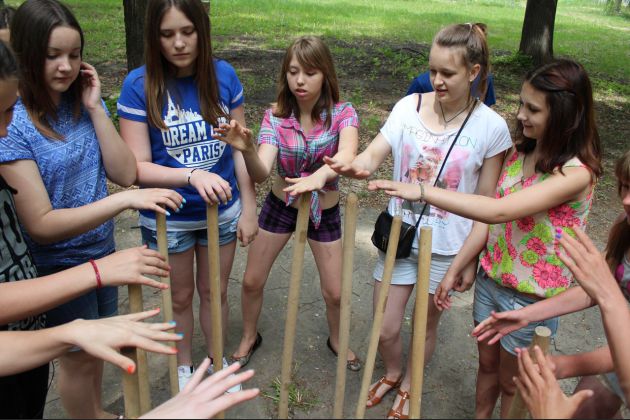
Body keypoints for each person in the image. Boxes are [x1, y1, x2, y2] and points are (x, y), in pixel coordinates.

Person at [367, 58, 602, 417]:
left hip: (531, 298)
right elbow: (491, 221)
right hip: (491, 282)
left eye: (533, 109)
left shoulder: (576, 174)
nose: (520, 114)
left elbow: (498, 211)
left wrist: (423, 191)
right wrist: (460, 266)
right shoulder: (521, 151)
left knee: (512, 383)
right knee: (487, 367)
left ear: (565, 114)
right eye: (521, 103)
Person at [0, 2, 183, 418]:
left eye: (74, 54)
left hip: (102, 252)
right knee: (80, 357)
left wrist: (97, 108)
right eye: (52, 55)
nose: (66, 66)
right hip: (59, 268)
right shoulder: (12, 123)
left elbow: (125, 172)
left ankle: (95, 411)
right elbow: (41, 224)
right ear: (27, 53)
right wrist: (121, 201)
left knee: (99, 346)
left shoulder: (78, 103)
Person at [326, 23, 512, 418]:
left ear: (474, 72)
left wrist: (468, 260)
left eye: (448, 73)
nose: (437, 80)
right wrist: (353, 165)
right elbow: (371, 156)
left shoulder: (492, 128)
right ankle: (393, 371)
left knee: (425, 327)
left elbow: (486, 206)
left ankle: (410, 384)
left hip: (447, 248)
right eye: (432, 70)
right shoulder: (407, 107)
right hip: (399, 235)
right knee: (386, 326)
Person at [116, 0, 258, 392]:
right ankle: (184, 367)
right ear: (154, 37)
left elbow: (240, 148)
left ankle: (217, 361)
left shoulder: (224, 76)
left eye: (187, 32)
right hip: (169, 217)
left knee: (215, 292)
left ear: (201, 30)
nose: (178, 43)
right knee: (179, 298)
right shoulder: (139, 85)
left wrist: (249, 206)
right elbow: (136, 168)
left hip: (221, 213)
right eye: (167, 34)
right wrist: (191, 176)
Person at [213, 35, 361, 371]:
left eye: (310, 72)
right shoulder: (276, 117)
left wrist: (318, 178)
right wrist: (246, 150)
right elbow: (261, 172)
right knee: (251, 281)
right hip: (281, 207)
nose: (300, 81)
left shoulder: (343, 113)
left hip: (324, 212)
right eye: (293, 72)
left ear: (325, 74)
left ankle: (337, 340)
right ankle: (249, 336)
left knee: (335, 292)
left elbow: (347, 155)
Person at [472, 150, 630, 418]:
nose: (626, 200)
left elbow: (607, 297)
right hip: (620, 346)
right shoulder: (624, 225)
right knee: (582, 412)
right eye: (624, 186)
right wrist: (526, 314)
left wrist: (564, 365)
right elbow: (597, 291)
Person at [407, 69, 496, 107]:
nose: (437, 82)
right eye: (433, 70)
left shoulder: (485, 79)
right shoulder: (422, 83)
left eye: (448, 73)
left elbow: (485, 110)